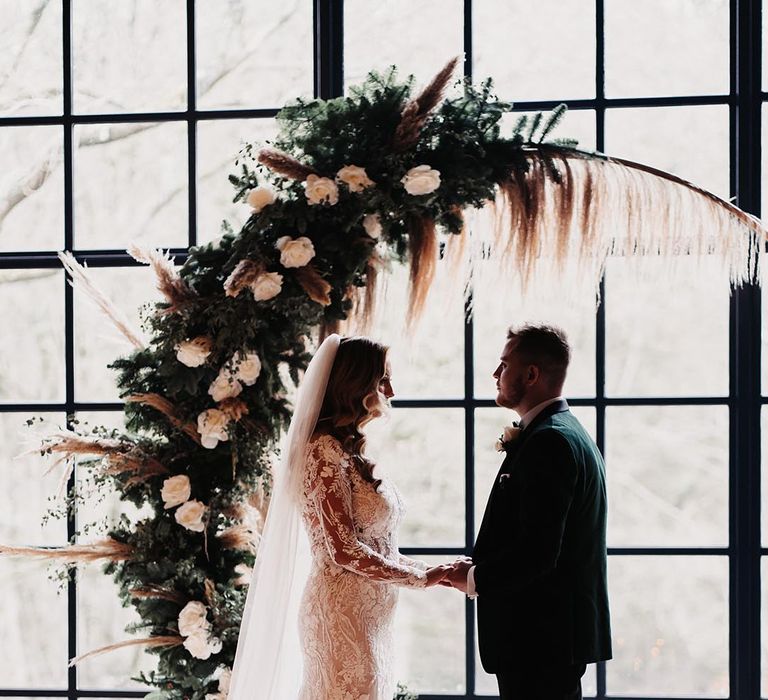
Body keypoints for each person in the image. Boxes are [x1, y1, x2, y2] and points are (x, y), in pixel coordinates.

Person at [228, 334, 452, 700]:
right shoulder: (322, 453)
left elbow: (376, 546)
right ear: (356, 385)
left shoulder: (350, 453)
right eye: (383, 380)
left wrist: (433, 571)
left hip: (372, 616)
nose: (391, 391)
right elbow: (343, 550)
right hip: (341, 613)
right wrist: (420, 578)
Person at [443, 324, 612, 700]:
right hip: (550, 639)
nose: (495, 374)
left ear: (531, 374)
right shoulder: (563, 432)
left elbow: (538, 551)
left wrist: (474, 577)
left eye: (504, 365)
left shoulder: (549, 441)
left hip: (540, 638)